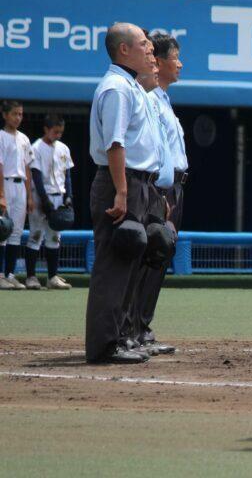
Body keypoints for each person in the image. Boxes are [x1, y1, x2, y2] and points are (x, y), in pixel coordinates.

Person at [86, 22, 163, 364]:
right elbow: (114, 144)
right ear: (123, 50)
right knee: (114, 266)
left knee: (131, 264)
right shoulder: (117, 87)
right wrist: (121, 191)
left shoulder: (132, 86)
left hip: (138, 183)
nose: (150, 49)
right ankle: (104, 345)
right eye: (144, 43)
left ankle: (122, 337)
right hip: (122, 182)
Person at [135, 33, 187, 353]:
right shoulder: (151, 99)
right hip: (161, 188)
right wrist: (162, 193)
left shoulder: (164, 98)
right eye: (175, 57)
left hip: (175, 186)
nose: (179, 63)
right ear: (160, 61)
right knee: (152, 255)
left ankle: (143, 326)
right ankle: (136, 328)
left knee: (161, 256)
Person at [23, 114, 74, 291]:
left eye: (60, 132)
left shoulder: (63, 148)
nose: (58, 135)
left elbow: (67, 175)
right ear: (46, 129)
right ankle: (31, 276)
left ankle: (52, 276)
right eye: (55, 132)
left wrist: (69, 197)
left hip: (59, 195)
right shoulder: (36, 147)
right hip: (40, 195)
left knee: (54, 237)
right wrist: (44, 201)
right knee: (36, 235)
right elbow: (36, 176)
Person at [0, 101, 33, 291]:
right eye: (14, 114)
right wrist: (1, 194)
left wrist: (29, 196)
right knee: (2, 230)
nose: (18, 118)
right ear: (5, 115)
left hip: (21, 187)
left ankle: (10, 274)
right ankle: (0, 275)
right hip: (6, 184)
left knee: (16, 232)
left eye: (20, 114)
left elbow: (27, 167)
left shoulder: (24, 139)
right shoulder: (1, 136)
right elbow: (0, 165)